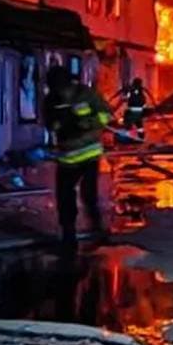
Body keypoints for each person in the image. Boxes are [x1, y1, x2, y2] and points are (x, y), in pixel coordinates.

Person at [44, 63, 112, 247]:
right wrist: (62, 123)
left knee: (89, 195)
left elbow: (106, 114)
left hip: (89, 154)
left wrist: (89, 123)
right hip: (67, 157)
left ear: (70, 84)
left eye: (63, 88)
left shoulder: (86, 94)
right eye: (57, 89)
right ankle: (68, 233)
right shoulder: (51, 100)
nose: (61, 93)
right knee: (65, 197)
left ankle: (97, 229)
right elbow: (50, 124)